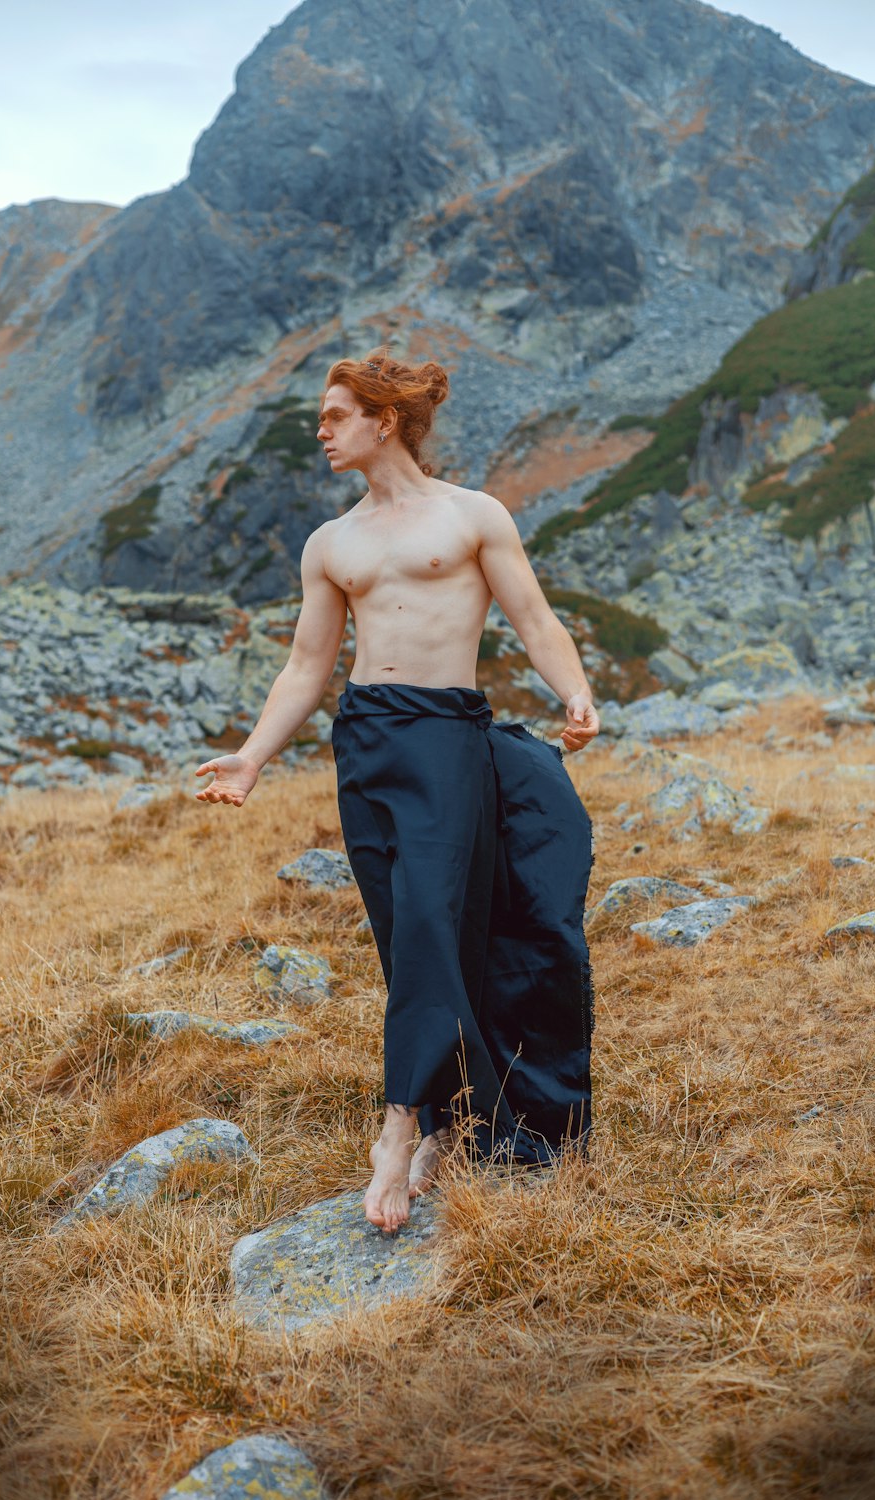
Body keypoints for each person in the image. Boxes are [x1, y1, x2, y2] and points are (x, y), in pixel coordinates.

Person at [195, 347, 600, 1235]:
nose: (322, 430)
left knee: (430, 924)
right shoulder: (330, 543)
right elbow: (308, 664)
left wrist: (573, 689)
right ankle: (449, 1119)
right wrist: (254, 757)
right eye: (322, 418)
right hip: (366, 745)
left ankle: (399, 1129)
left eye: (336, 415)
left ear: (385, 421)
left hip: (446, 741)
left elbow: (534, 617)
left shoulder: (473, 516)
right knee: (405, 934)